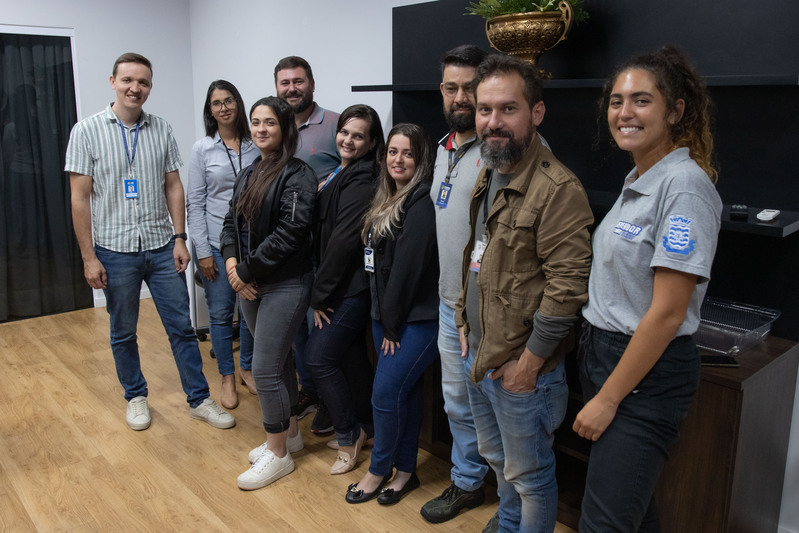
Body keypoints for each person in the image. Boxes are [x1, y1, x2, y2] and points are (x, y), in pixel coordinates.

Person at [573, 45, 722, 532]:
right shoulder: (641, 177)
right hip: (606, 354)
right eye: (616, 101)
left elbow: (667, 313)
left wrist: (609, 398)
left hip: (643, 374)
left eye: (641, 100)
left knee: (603, 523)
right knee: (630, 512)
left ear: (676, 110)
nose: (624, 112)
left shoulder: (683, 185)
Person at [456, 54, 594, 533]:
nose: (493, 122)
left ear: (535, 113)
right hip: (481, 353)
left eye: (507, 109)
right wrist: (461, 321)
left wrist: (528, 365)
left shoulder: (558, 189)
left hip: (523, 371)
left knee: (531, 477)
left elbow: (568, 288)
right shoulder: (490, 170)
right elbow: (476, 255)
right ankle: (508, 523)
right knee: (497, 458)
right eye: (484, 109)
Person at [65, 52, 235, 432]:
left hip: (161, 246)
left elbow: (173, 185)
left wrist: (180, 238)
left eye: (142, 82)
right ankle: (136, 396)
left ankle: (199, 398)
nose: (134, 88)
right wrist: (89, 256)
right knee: (123, 331)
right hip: (113, 249)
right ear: (113, 82)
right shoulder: (87, 131)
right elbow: (79, 197)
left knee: (181, 327)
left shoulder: (161, 128)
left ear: (150, 87)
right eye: (127, 80)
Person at [220, 96, 316, 491]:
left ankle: (278, 456)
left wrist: (244, 271)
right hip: (248, 282)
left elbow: (290, 235)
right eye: (256, 122)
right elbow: (230, 222)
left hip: (284, 283)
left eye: (270, 123)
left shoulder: (298, 175)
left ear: (285, 129)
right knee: (279, 361)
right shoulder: (248, 172)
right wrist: (231, 266)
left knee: (263, 367)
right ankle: (290, 433)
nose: (261, 129)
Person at [345, 123, 439, 505]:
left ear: (421, 160)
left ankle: (377, 470)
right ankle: (405, 473)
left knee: (384, 395)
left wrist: (393, 325)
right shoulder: (388, 196)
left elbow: (408, 272)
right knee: (407, 393)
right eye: (393, 152)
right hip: (387, 316)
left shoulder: (420, 203)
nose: (398, 160)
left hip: (414, 320)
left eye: (408, 153)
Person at [420, 44, 490, 525]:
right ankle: (468, 482)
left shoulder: (505, 148)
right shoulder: (442, 147)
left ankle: (513, 499)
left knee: (497, 409)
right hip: (448, 304)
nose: (460, 96)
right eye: (452, 87)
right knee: (458, 404)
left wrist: (472, 304)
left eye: (471, 87)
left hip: (488, 310)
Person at [304, 104, 384, 475]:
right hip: (338, 283)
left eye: (358, 135)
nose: (348, 140)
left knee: (319, 358)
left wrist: (320, 295)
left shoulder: (363, 178)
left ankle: (349, 435)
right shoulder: (343, 169)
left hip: (348, 288)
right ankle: (367, 425)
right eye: (345, 132)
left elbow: (344, 240)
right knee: (351, 357)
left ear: (370, 143)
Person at [274, 56, 341, 432]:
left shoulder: (333, 124)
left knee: (322, 325)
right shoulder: (275, 126)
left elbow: (350, 170)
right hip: (287, 245)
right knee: (296, 323)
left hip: (324, 244)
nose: (292, 89)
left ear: (311, 83)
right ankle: (309, 390)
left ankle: (332, 398)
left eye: (298, 81)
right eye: (284, 83)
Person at [187, 80, 258, 408]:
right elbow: (195, 202)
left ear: (238, 104)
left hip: (252, 243)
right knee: (220, 313)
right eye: (216, 103)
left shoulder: (255, 143)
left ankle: (247, 368)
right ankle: (226, 377)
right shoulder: (203, 148)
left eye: (229, 100)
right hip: (216, 242)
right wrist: (202, 251)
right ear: (210, 110)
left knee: (249, 310)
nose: (224, 107)